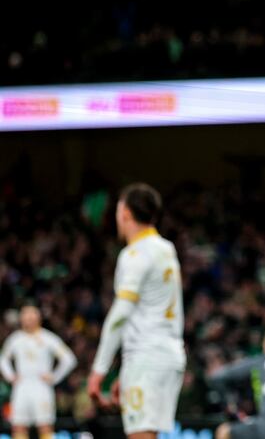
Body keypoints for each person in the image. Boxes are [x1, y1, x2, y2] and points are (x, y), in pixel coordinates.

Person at [87, 182, 186, 439]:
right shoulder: (166, 248)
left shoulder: (134, 254)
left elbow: (121, 315)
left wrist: (99, 369)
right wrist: (127, 371)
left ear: (125, 213)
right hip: (168, 356)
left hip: (146, 358)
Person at [0, 305, 77, 439]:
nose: (29, 318)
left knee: (45, 426)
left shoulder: (48, 338)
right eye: (26, 315)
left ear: (39, 318)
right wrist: (10, 376)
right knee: (18, 426)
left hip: (41, 387)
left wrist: (54, 377)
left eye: (32, 315)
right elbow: (3, 359)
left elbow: (69, 359)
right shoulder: (16, 339)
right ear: (21, 318)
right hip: (21, 386)